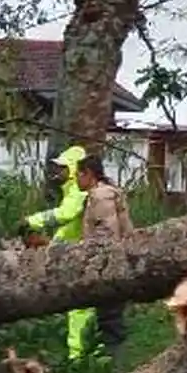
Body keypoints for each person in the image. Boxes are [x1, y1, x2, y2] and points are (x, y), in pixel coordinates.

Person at [21, 145, 90, 361]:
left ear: (73, 169)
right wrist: (51, 244)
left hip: (82, 255)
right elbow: (67, 229)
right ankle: (82, 357)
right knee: (78, 309)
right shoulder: (71, 191)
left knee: (81, 310)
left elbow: (64, 215)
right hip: (75, 252)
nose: (58, 172)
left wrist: (32, 221)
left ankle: (80, 359)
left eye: (62, 168)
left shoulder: (78, 192)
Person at [76, 154, 135, 361]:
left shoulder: (101, 197)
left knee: (110, 319)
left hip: (108, 265)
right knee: (109, 317)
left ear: (89, 174)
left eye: (79, 175)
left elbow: (106, 232)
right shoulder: (109, 193)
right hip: (117, 261)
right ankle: (109, 361)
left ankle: (112, 364)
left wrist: (95, 260)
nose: (76, 180)